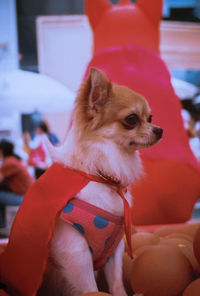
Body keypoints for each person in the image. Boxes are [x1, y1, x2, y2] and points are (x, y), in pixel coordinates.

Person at [0, 139, 34, 227]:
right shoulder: (13, 160)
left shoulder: (9, 162)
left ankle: (1, 227)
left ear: (1, 151)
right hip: (27, 195)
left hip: (23, 198)